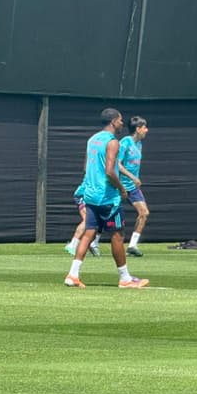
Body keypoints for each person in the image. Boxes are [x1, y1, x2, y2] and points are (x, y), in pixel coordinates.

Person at [64, 108, 149, 289]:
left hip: (91, 195)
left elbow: (86, 167)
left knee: (89, 233)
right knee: (118, 235)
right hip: (108, 197)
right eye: (119, 120)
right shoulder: (112, 142)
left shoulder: (92, 139)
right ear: (113, 121)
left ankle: (73, 274)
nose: (121, 123)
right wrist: (121, 189)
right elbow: (110, 171)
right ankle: (125, 278)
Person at [118, 116, 150, 257]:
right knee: (108, 215)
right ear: (138, 129)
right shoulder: (125, 142)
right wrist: (132, 177)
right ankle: (93, 241)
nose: (146, 130)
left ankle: (132, 245)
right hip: (119, 186)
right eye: (144, 127)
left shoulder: (139, 145)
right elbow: (116, 164)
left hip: (133, 188)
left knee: (144, 213)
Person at [63, 179, 100, 257]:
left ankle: (90, 245)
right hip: (83, 194)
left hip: (95, 196)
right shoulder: (95, 169)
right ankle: (73, 244)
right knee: (87, 220)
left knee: (96, 223)